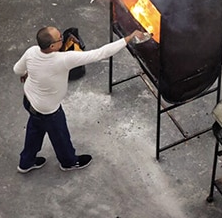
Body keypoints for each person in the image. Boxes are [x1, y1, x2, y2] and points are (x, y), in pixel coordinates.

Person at [13, 26, 146, 173]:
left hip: (29, 101)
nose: (62, 40)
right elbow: (99, 54)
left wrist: (26, 73)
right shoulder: (63, 59)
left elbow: (17, 70)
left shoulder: (31, 51)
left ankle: (26, 162)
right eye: (60, 39)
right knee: (60, 136)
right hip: (48, 111)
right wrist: (128, 38)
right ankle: (69, 162)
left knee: (34, 130)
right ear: (52, 46)